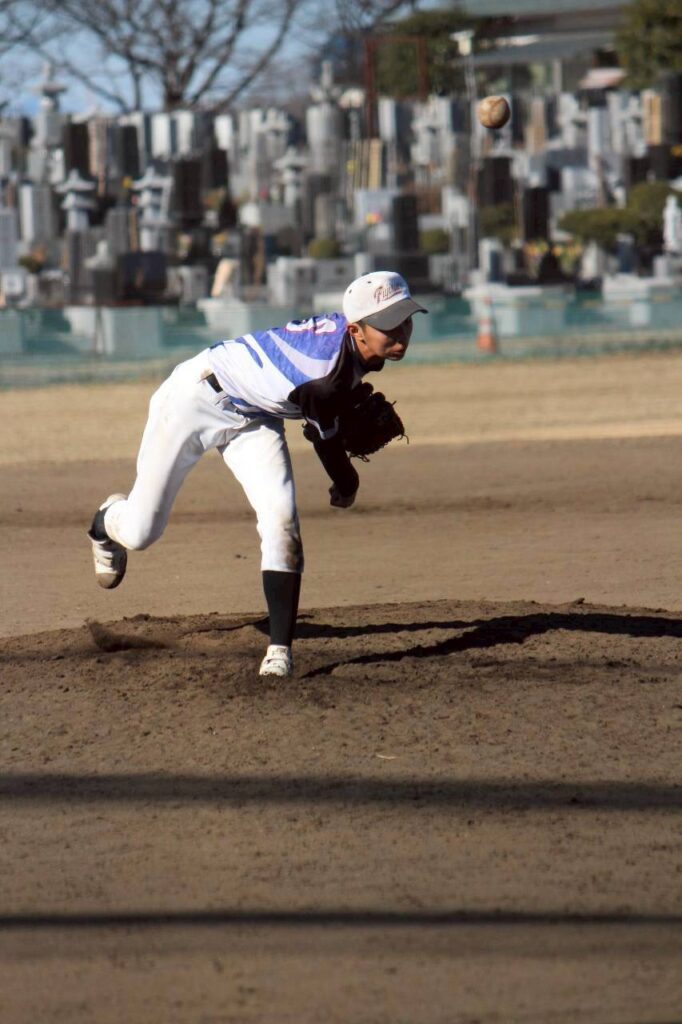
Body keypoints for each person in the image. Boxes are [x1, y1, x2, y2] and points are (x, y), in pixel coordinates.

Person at [87, 270, 427, 678]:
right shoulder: (323, 377)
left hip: (255, 417)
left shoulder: (349, 349)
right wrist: (347, 483)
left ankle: (279, 651)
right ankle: (105, 522)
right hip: (193, 399)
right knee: (141, 532)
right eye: (389, 325)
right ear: (355, 329)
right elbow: (325, 440)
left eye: (405, 319)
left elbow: (321, 406)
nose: (402, 333)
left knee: (281, 519)